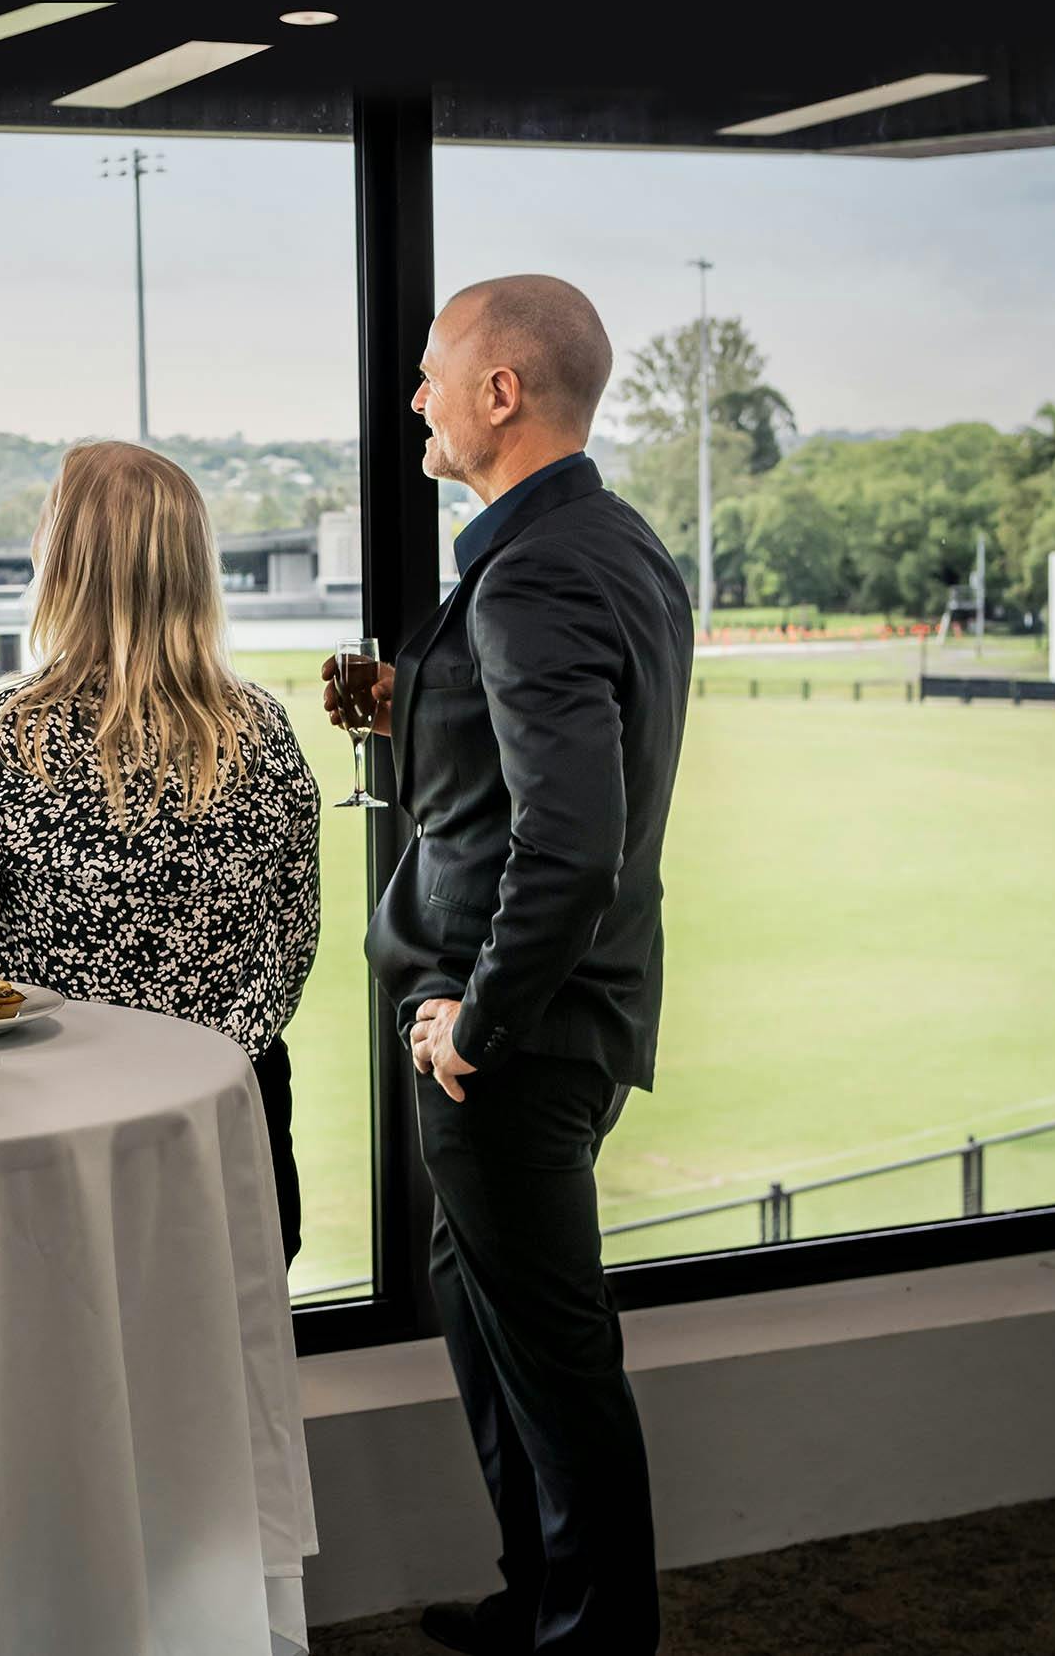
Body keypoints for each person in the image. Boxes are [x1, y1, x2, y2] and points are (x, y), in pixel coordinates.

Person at [325, 273, 690, 1656]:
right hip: (553, 1026)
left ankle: (592, 1632)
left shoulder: (532, 569)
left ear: (500, 391)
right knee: (495, 1333)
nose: (413, 394)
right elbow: (528, 761)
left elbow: (573, 841)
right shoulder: (612, 544)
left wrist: (474, 1025)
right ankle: (546, 1597)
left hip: (512, 1043)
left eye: (431, 369)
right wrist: (405, 709)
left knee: (555, 1362)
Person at [0, 439, 321, 1259]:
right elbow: (287, 946)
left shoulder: (1, 741)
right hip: (233, 1112)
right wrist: (206, 1060)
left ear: (66, 565)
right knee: (228, 1371)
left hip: (50, 1123)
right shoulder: (264, 733)